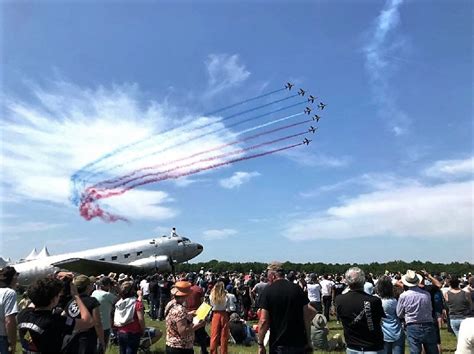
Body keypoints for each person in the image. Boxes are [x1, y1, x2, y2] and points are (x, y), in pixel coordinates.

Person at [17, 276, 94, 353]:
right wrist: (76, 296)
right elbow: (88, 322)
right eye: (58, 296)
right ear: (53, 300)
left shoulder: (23, 314)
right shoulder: (55, 321)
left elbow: (35, 299)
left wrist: (52, 284)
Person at [257, 262, 316, 354]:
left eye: (268, 276)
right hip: (298, 343)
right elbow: (310, 313)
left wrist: (260, 344)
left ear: (272, 276)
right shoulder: (297, 289)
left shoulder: (268, 291)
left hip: (278, 345)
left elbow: (263, 321)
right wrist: (308, 341)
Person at [335, 267, 384, 354]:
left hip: (352, 346)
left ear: (347, 281)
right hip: (372, 346)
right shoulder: (374, 300)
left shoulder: (339, 300)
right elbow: (379, 322)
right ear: (363, 281)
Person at [396, 270, 438, 354]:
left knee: (415, 351)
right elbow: (430, 309)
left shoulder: (403, 296)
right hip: (428, 324)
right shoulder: (426, 294)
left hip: (412, 325)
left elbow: (399, 314)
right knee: (432, 350)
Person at [64, 275, 105, 354]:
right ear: (88, 287)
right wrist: (102, 341)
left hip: (71, 339)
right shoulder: (92, 301)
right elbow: (97, 323)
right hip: (87, 340)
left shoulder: (71, 301)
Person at [165, 281, 204, 353]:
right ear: (186, 295)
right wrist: (199, 325)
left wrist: (189, 314)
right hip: (181, 347)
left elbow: (175, 318)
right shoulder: (180, 310)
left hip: (171, 344)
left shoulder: (171, 304)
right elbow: (183, 331)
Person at [375, 275, 404, 354]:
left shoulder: (376, 301)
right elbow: (400, 315)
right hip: (397, 331)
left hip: (383, 333)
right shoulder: (395, 300)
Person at [114, 281, 145, 354]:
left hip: (121, 331)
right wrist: (143, 330)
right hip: (133, 332)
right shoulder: (136, 303)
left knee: (122, 351)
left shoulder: (119, 302)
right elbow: (141, 319)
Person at [91, 276, 118, 350]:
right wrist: (117, 288)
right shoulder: (107, 295)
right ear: (108, 285)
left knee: (95, 346)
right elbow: (119, 301)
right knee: (102, 347)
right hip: (105, 325)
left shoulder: (94, 292)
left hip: (94, 323)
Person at [186, 275, 209, 354]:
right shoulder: (199, 289)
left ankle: (190, 350)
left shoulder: (185, 289)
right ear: (195, 279)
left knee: (189, 333)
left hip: (188, 313)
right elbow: (203, 302)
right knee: (201, 333)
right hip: (199, 312)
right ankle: (203, 350)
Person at [0, 266, 19, 354]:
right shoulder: (10, 293)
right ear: (13, 277)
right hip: (2, 338)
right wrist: (13, 343)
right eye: (16, 275)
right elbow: (9, 321)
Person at [209, 281, 230, 354]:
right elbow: (228, 306)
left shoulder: (212, 295)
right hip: (224, 314)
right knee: (224, 335)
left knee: (214, 335)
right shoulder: (226, 296)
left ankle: (213, 351)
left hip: (216, 314)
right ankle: (224, 352)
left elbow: (211, 304)